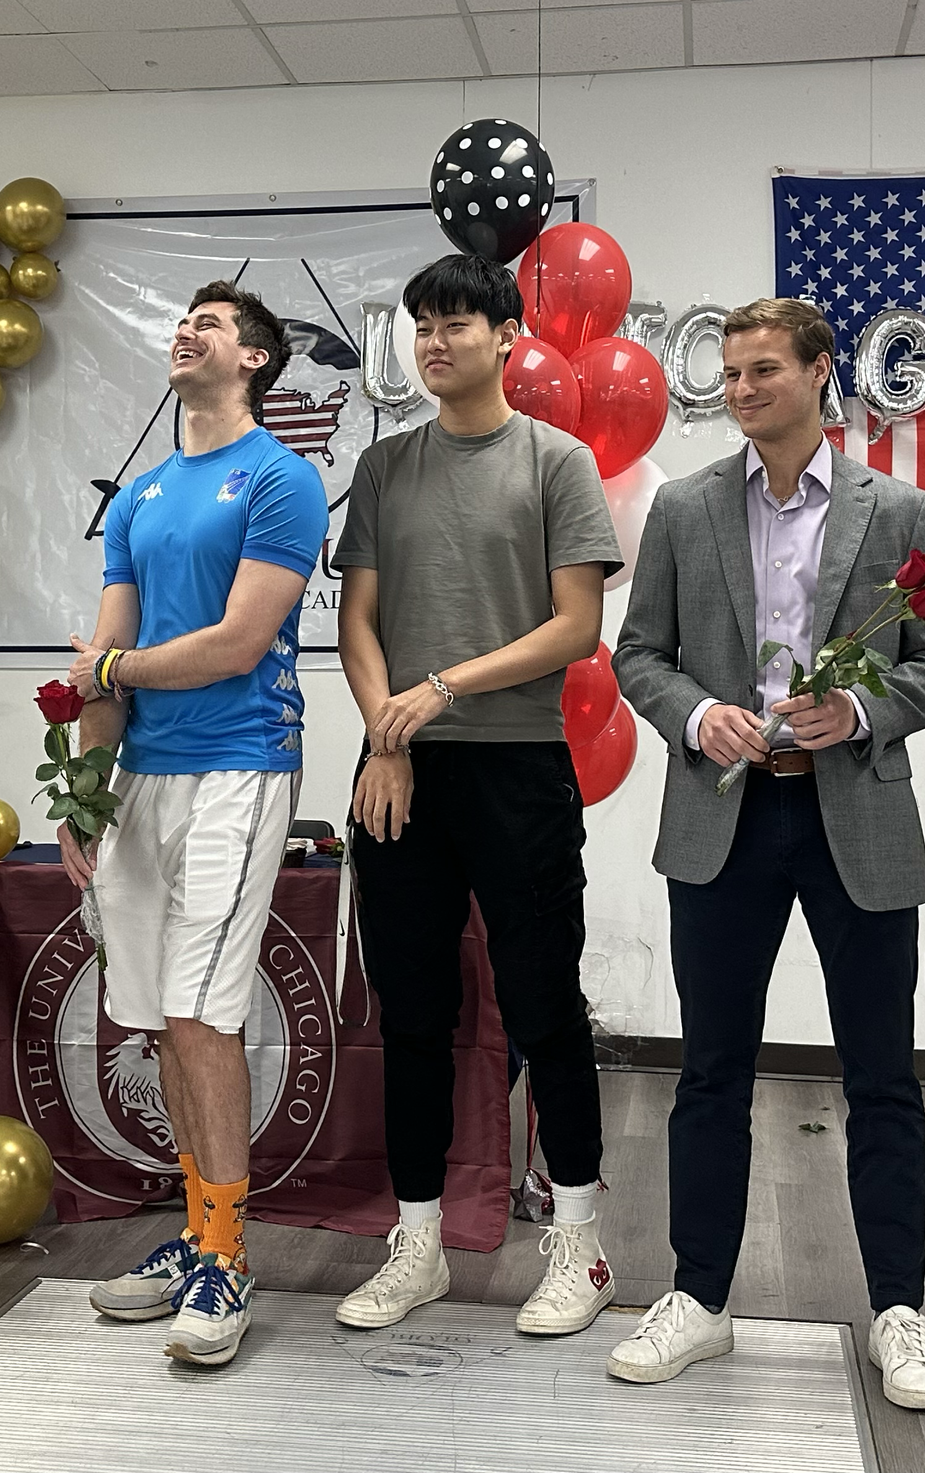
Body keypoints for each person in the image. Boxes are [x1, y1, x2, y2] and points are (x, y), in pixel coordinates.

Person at [611, 297, 925, 1407]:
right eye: (729, 373)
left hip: (851, 814)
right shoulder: (681, 508)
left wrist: (859, 713)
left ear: (821, 375)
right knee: (710, 1073)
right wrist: (691, 714)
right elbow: (640, 654)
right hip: (724, 814)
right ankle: (698, 1298)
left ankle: (900, 1313)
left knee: (882, 1077)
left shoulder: (898, 510)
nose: (742, 389)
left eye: (764, 369)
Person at [330, 253, 620, 1336]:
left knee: (545, 1006)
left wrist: (441, 689)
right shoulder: (384, 468)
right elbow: (357, 620)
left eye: (456, 322)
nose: (435, 341)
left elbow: (573, 627)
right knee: (410, 1016)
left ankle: (579, 1247)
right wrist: (387, 732)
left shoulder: (556, 462)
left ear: (508, 336)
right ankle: (416, 1245)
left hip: (515, 764)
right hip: (397, 770)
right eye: (422, 325)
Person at [63, 281, 328, 1369]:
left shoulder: (281, 477)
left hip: (239, 764)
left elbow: (231, 642)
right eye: (182, 323)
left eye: (210, 326)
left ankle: (227, 1254)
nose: (187, 333)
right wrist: (81, 793)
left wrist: (107, 670)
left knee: (205, 1016)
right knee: (163, 1022)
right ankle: (191, 1233)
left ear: (255, 360)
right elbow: (100, 668)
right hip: (141, 782)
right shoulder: (136, 499)